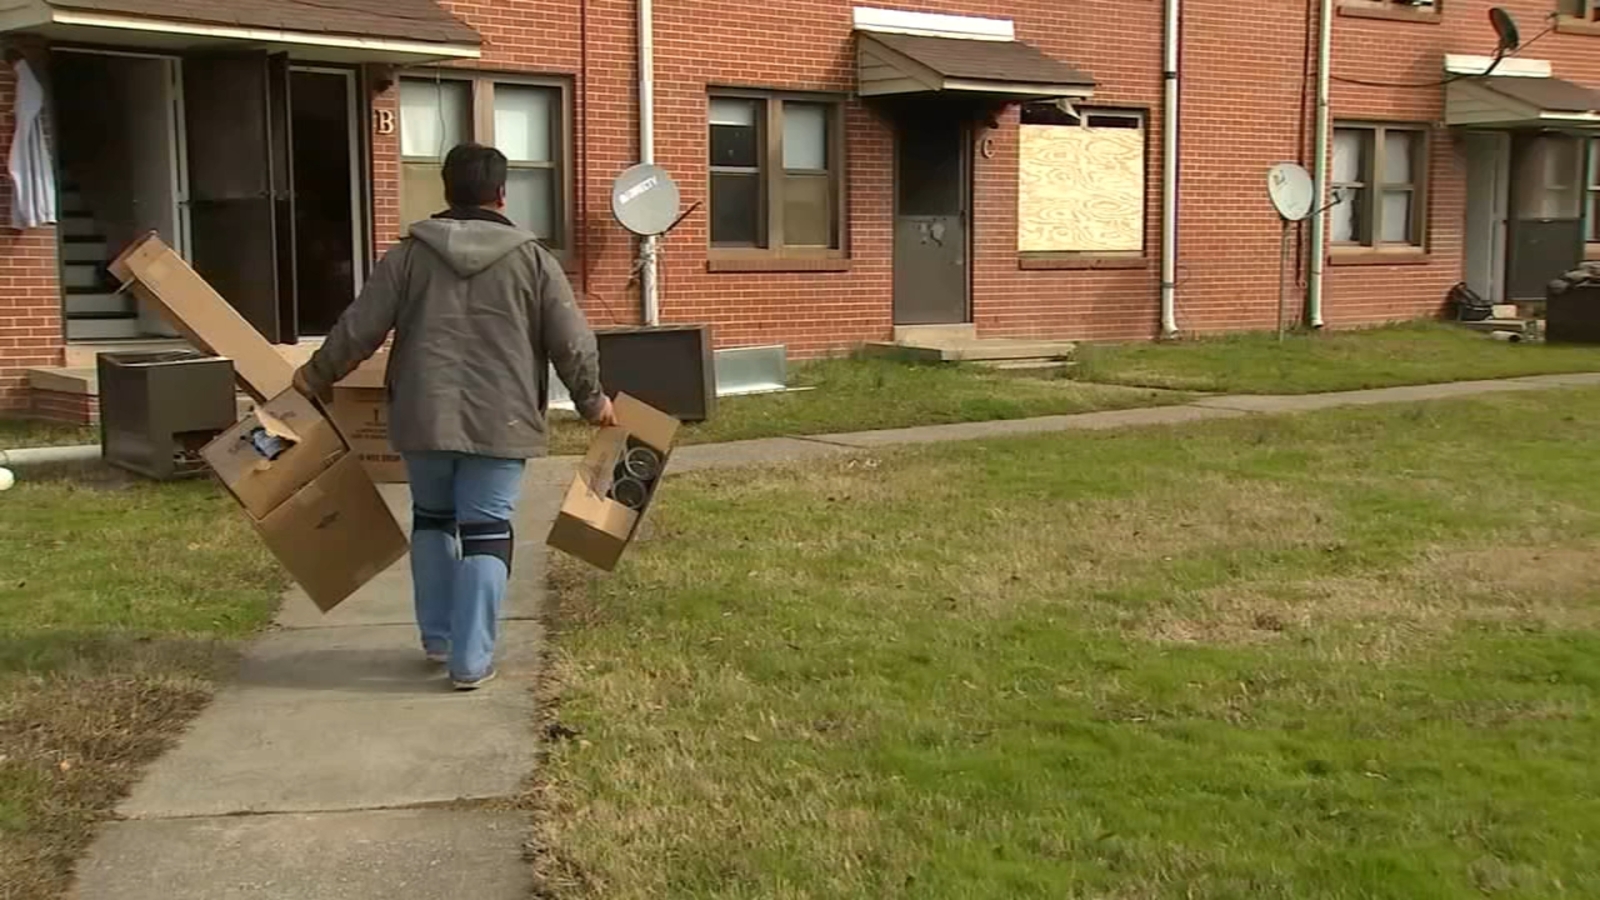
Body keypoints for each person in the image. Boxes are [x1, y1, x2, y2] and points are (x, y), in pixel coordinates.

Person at [293, 143, 614, 691]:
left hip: (422, 415)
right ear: (502, 194)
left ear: (446, 189)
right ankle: (471, 660)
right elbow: (573, 342)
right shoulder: (535, 261)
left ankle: (438, 638)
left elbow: (358, 328)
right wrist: (593, 401)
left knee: (433, 520)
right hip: (502, 421)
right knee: (487, 531)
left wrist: (312, 378)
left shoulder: (407, 257)